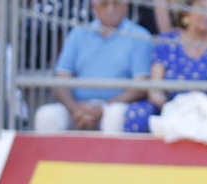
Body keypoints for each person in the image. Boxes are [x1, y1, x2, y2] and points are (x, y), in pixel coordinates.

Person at [32, 0, 152, 133]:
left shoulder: (140, 36)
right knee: (46, 115)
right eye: (104, 4)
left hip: (115, 106)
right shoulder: (78, 33)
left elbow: (140, 87)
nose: (110, 9)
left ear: (126, 6)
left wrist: (103, 108)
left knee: (115, 115)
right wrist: (76, 110)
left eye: (116, 3)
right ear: (94, 7)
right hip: (78, 107)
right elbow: (61, 79)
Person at [126, 0, 207, 132]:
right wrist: (170, 109)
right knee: (137, 114)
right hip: (169, 108)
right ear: (186, 12)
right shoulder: (167, 42)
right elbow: (155, 89)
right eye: (202, 8)